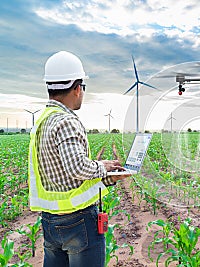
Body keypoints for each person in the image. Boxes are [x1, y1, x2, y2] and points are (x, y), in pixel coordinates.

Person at [28, 51, 132, 267]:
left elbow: (65, 178)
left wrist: (109, 178)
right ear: (77, 88)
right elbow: (76, 168)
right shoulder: (66, 121)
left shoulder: (42, 122)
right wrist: (102, 167)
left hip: (50, 221)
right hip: (77, 223)